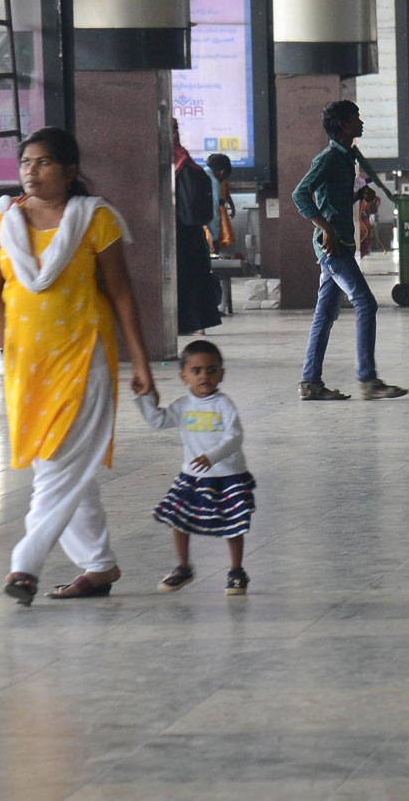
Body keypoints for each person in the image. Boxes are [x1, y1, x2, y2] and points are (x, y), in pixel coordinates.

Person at [0, 126, 154, 604]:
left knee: (61, 465)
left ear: (70, 171)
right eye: (25, 163)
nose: (30, 172)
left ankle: (25, 565)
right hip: (27, 367)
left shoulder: (93, 218)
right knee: (56, 466)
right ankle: (99, 566)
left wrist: (140, 362)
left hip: (84, 362)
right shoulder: (7, 221)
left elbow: (122, 294)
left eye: (42, 163)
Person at [293, 100, 407, 402]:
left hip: (343, 243)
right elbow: (300, 194)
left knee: (325, 314)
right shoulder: (329, 158)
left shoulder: (346, 158)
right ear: (344, 124)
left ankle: (310, 382)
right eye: (356, 117)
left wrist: (359, 193)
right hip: (334, 249)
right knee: (366, 303)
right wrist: (326, 229)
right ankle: (368, 381)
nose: (361, 122)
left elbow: (333, 198)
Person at [137, 339, 255, 596]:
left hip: (227, 476)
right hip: (193, 477)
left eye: (211, 370)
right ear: (184, 376)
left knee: (232, 524)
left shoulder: (224, 404)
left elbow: (234, 437)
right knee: (179, 518)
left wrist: (212, 457)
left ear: (221, 374)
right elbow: (159, 421)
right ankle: (183, 567)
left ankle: (236, 570)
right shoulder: (182, 406)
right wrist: (143, 397)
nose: (204, 376)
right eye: (196, 371)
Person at [173, 120, 222, 335]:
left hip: (175, 232)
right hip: (191, 233)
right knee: (195, 277)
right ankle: (198, 325)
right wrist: (213, 233)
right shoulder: (186, 160)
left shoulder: (170, 161)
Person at [204, 152, 234, 251]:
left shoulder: (200, 173)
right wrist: (214, 238)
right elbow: (212, 211)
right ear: (222, 172)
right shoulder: (213, 181)